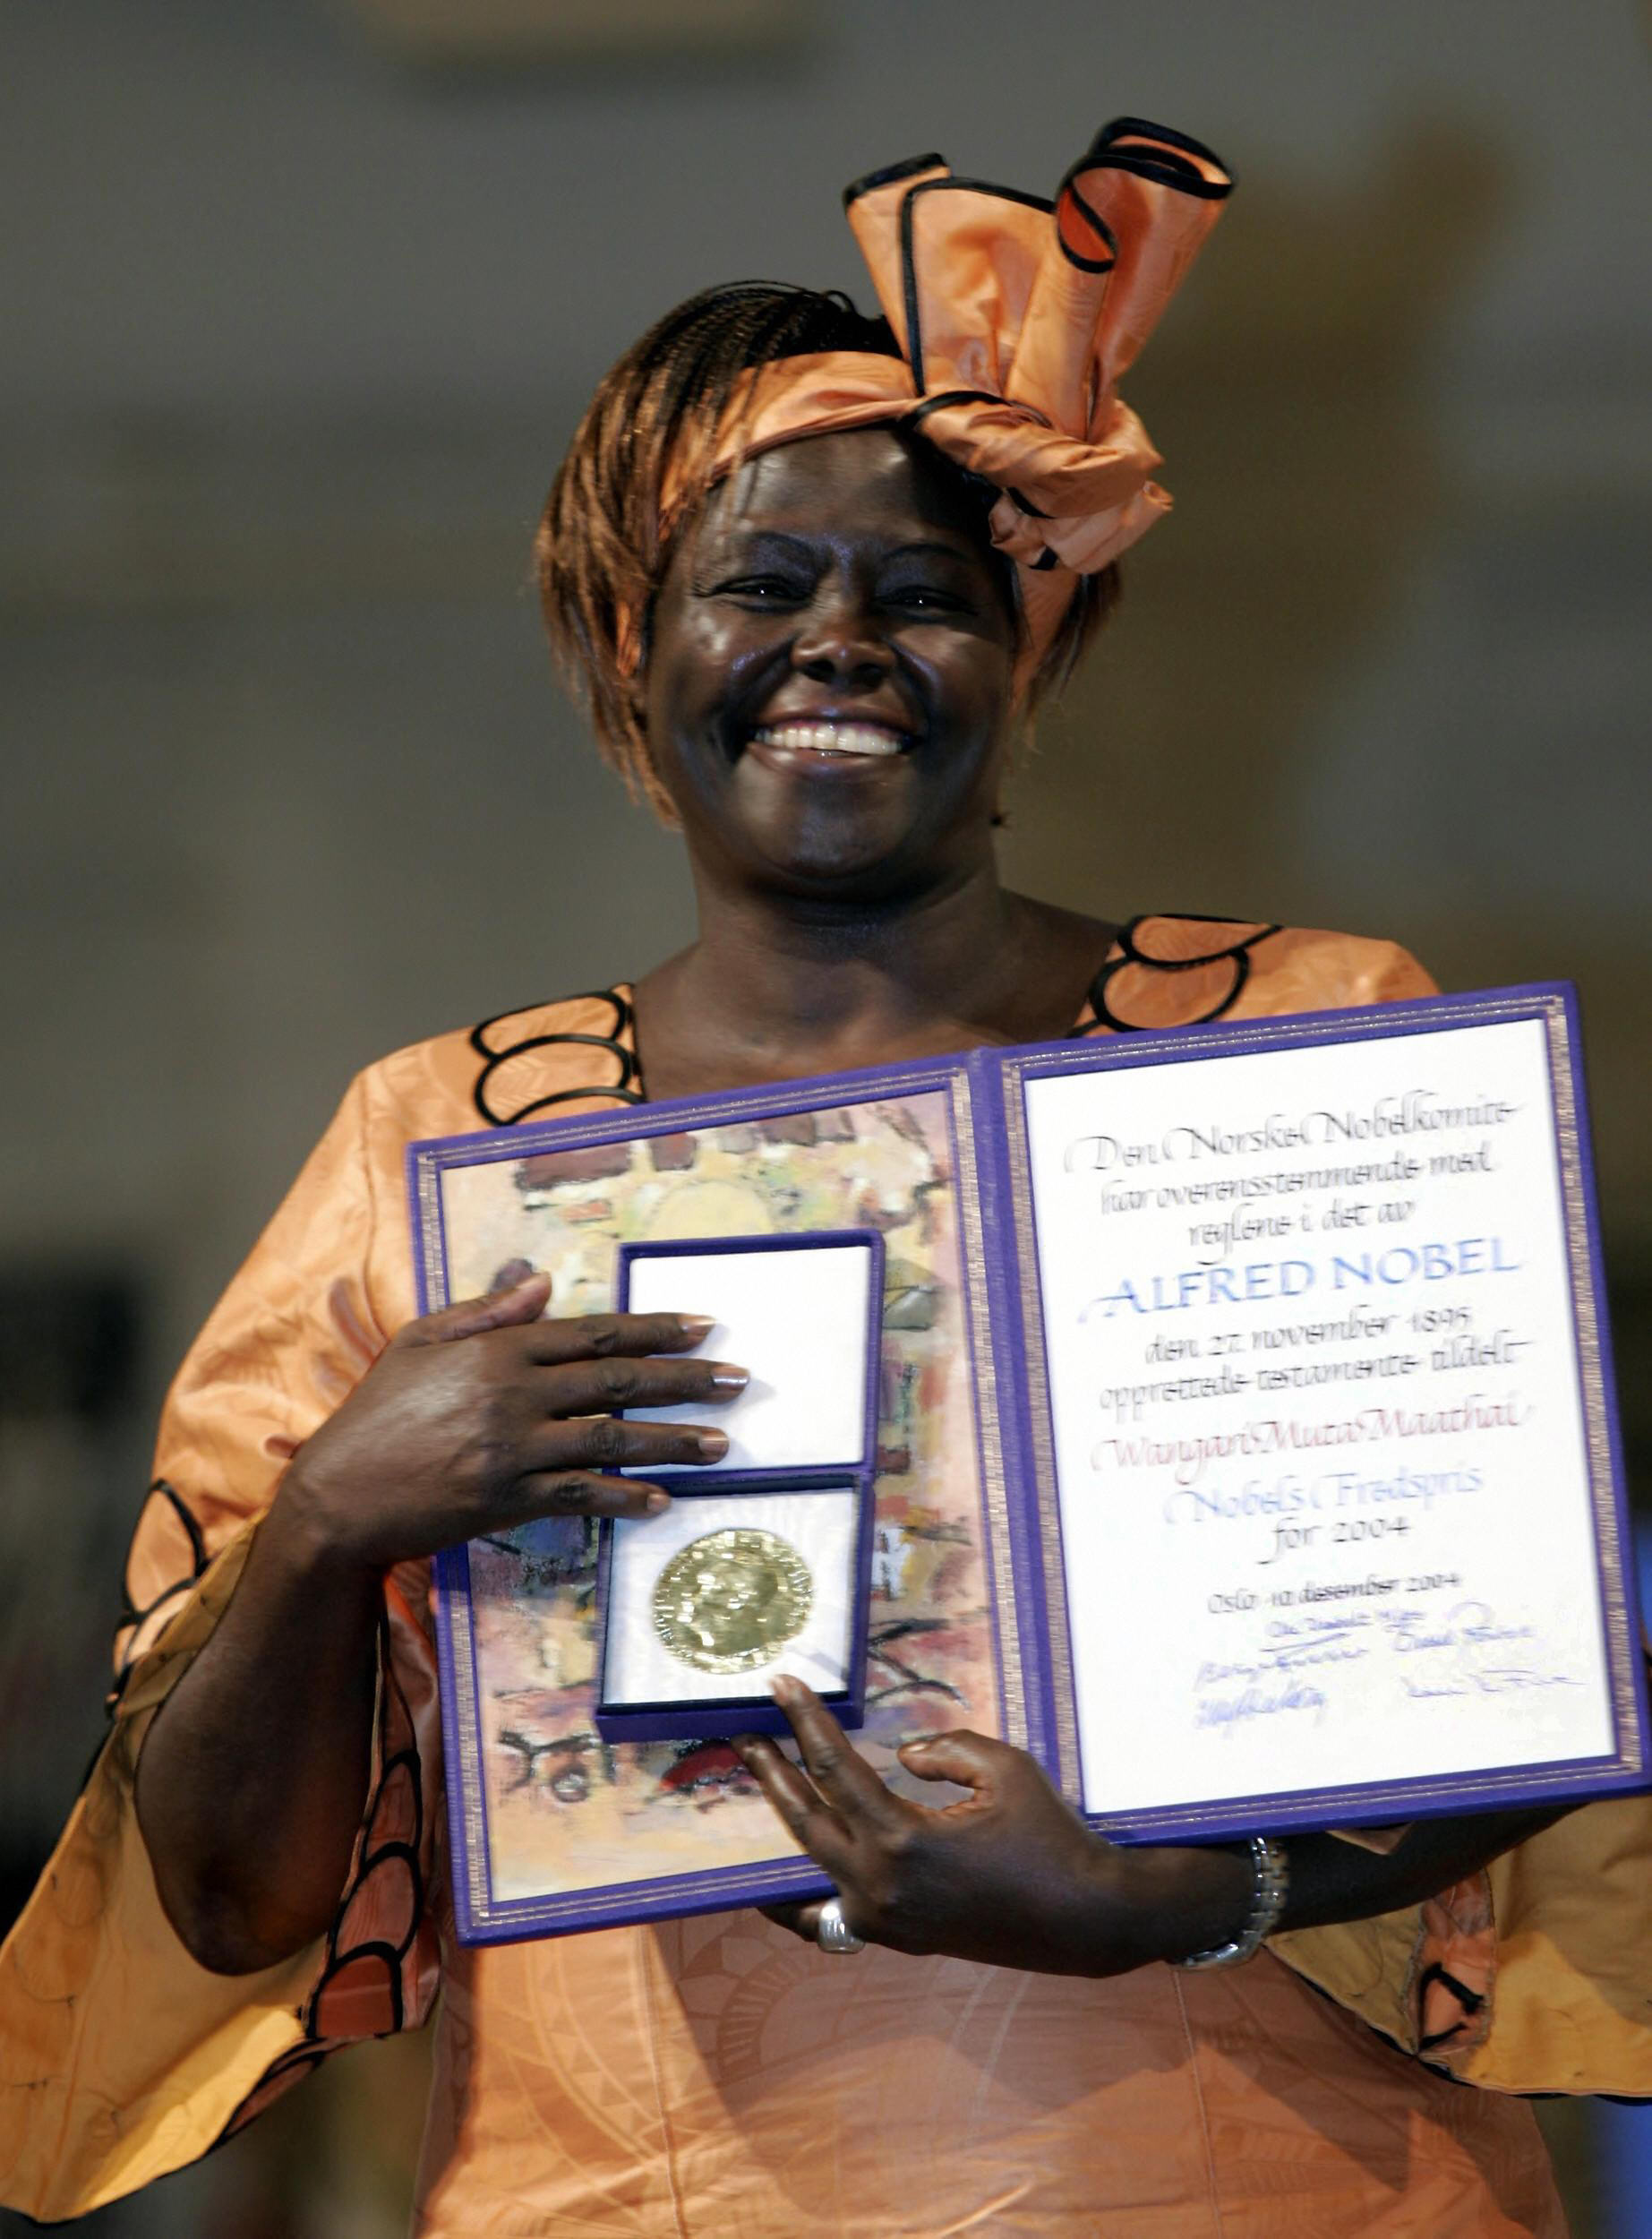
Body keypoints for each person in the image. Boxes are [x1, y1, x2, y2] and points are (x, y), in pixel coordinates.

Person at [3, 119, 1649, 2238]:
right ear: (634, 644)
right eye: (762, 583)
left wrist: (1162, 1888)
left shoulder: (1296, 1046)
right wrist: (329, 1519)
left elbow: (1495, 1670)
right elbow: (232, 1901)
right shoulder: (439, 1142)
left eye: (928, 595)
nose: (842, 638)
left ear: (1028, 651)